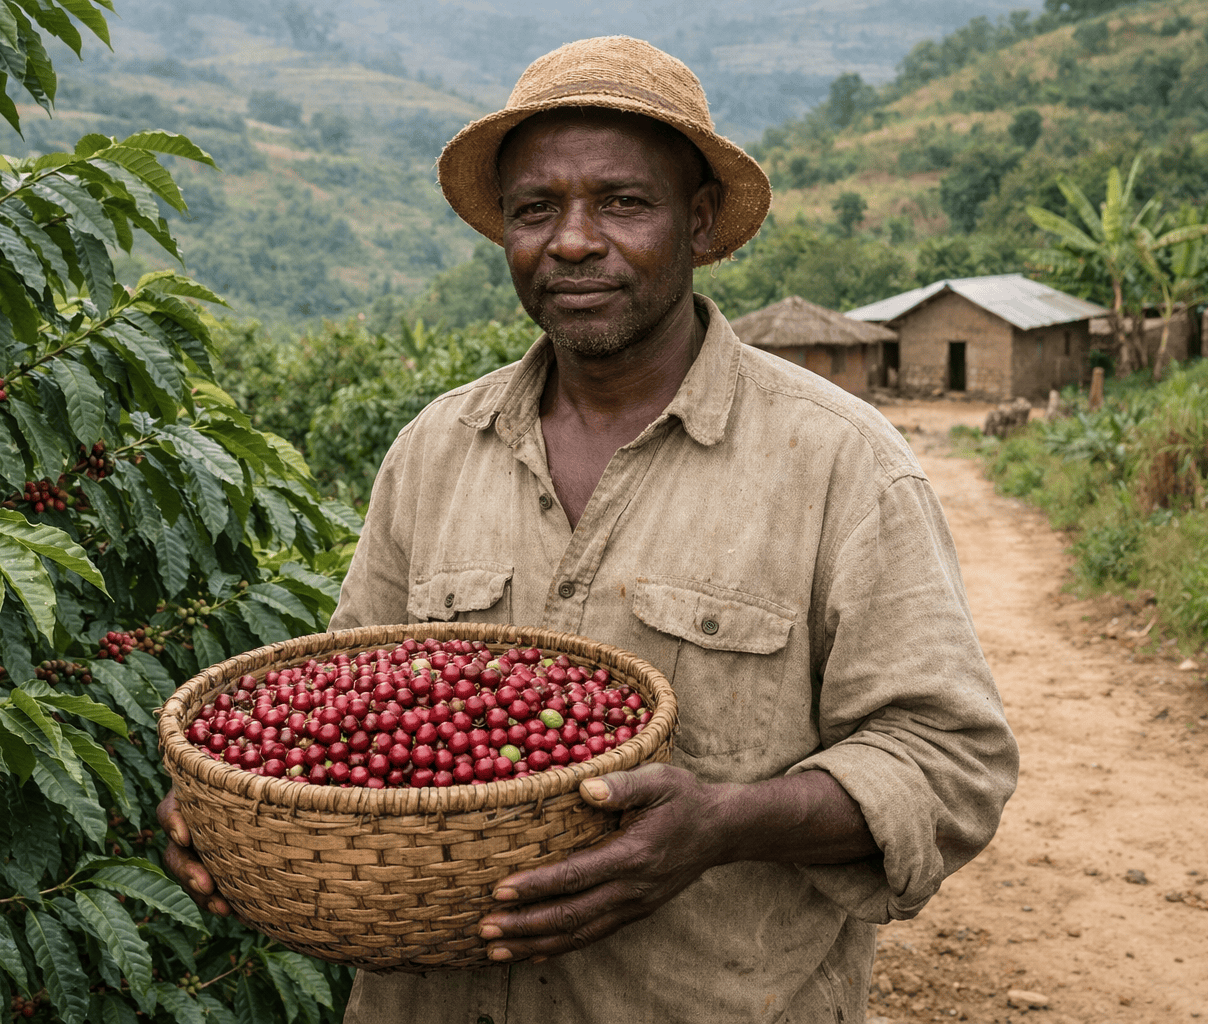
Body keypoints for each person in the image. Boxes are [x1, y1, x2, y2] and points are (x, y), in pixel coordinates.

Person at [159, 35, 1018, 1024]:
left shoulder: (840, 464)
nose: (571, 240)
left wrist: (722, 825)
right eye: (536, 209)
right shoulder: (436, 450)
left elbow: (950, 759)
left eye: (622, 201)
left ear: (699, 223)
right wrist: (241, 815)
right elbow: (339, 709)